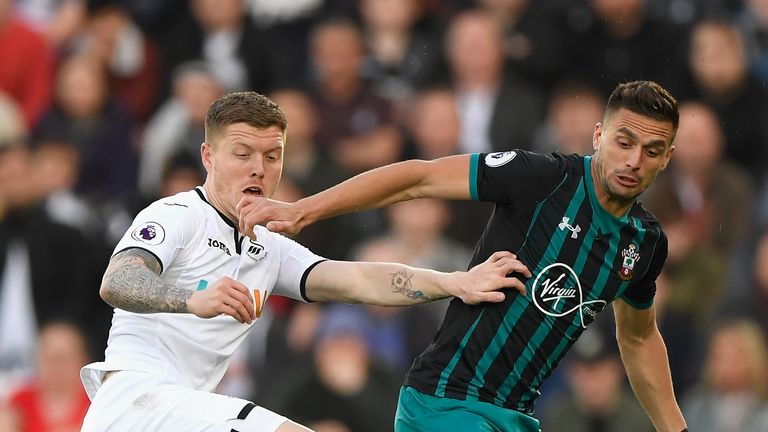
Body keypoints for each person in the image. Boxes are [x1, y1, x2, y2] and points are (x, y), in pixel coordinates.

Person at [239, 80, 689, 431]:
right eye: (623, 142)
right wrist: (303, 210)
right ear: (598, 135)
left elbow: (639, 338)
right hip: (446, 401)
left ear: (667, 158)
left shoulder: (644, 243)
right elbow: (420, 178)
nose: (633, 161)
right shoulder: (543, 178)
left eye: (651, 151)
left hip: (515, 418)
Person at [78, 91, 530, 432]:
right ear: (208, 157)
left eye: (272, 156)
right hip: (136, 402)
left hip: (183, 409)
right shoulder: (176, 215)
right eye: (242, 154)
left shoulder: (268, 248)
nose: (259, 168)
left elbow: (358, 280)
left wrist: (456, 282)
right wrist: (194, 298)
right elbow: (117, 281)